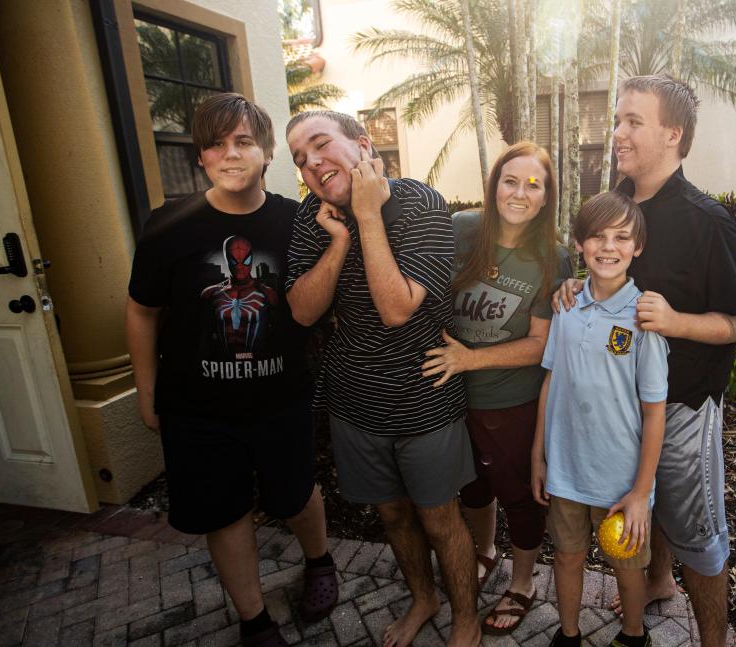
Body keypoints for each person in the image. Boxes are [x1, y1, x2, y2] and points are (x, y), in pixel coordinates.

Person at [126, 94, 337, 647]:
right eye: (216, 144)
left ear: (267, 152)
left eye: (243, 141)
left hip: (282, 399)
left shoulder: (301, 223)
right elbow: (142, 310)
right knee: (224, 512)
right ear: (201, 157)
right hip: (196, 409)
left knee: (297, 495)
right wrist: (146, 392)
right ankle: (255, 620)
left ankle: (320, 562)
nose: (230, 154)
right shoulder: (167, 226)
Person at [554, 75, 736, 646]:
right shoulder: (619, 201)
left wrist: (677, 323)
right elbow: (608, 271)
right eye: (617, 119)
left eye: (632, 122)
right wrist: (576, 286)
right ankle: (658, 581)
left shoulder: (705, 220)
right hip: (623, 408)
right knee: (643, 509)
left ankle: (712, 640)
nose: (616, 132)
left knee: (698, 537)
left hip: (685, 406)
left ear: (673, 133)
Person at [285, 110, 480, 647]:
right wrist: (339, 242)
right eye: (300, 159)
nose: (312, 163)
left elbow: (396, 309)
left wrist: (367, 218)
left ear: (364, 145)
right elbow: (302, 312)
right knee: (393, 515)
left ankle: (466, 617)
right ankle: (424, 598)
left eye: (321, 145)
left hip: (424, 392)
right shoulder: (312, 217)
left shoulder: (419, 203)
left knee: (441, 519)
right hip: (354, 398)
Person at [421, 142, 573, 636]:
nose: (520, 192)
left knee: (521, 497)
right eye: (511, 180)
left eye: (534, 185)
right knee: (473, 486)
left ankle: (524, 583)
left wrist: (470, 359)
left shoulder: (554, 257)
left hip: (512, 403)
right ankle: (484, 552)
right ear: (494, 185)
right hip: (451, 396)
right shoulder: (463, 229)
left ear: (547, 196)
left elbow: (540, 344)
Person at [533, 191, 668, 647]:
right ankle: (567, 634)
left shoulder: (644, 319)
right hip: (567, 470)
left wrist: (640, 492)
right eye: (597, 236)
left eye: (622, 237)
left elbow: (654, 413)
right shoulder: (566, 307)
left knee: (627, 567)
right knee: (567, 558)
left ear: (638, 247)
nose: (608, 247)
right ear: (578, 244)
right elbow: (550, 383)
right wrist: (539, 456)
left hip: (621, 481)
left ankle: (633, 635)